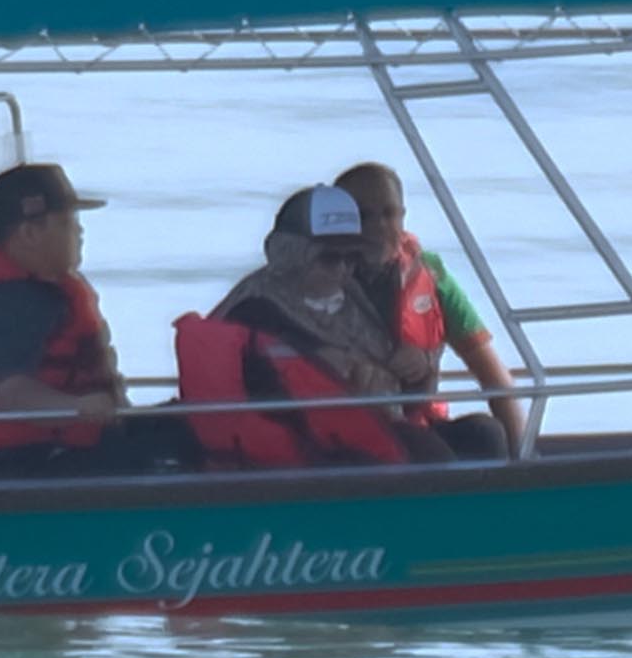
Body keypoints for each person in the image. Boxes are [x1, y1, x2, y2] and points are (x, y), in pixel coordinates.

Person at [0, 162, 194, 476]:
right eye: (67, 222)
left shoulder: (45, 289)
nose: (79, 232)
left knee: (193, 421)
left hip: (63, 447)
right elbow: (14, 394)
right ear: (30, 233)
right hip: (14, 463)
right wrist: (80, 408)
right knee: (178, 449)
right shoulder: (5, 299)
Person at [187, 184, 443, 467]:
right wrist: (342, 380)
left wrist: (417, 368)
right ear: (294, 255)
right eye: (331, 259)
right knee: (421, 448)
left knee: (481, 432)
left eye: (352, 257)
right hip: (308, 445)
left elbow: (402, 390)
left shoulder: (354, 298)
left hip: (376, 429)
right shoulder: (253, 309)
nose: (344, 270)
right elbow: (254, 391)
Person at [334, 163, 538, 461]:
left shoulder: (431, 274)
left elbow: (490, 370)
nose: (377, 226)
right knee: (428, 455)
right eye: (363, 216)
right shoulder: (321, 276)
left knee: (487, 434)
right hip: (344, 432)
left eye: (389, 214)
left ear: (403, 216)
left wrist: (524, 455)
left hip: (419, 422)